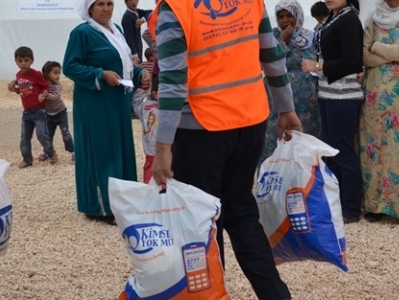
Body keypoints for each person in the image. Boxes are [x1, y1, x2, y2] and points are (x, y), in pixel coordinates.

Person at [149, 0, 302, 298]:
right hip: (250, 121)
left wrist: (163, 145)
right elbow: (272, 57)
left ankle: (210, 293)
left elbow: (173, 80)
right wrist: (285, 108)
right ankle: (275, 295)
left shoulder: (176, 8)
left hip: (201, 128)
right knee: (241, 211)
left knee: (201, 221)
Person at [63, 0, 151, 225]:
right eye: (100, 4)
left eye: (109, 3)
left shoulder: (117, 30)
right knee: (101, 150)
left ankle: (124, 200)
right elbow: (70, 66)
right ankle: (101, 207)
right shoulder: (82, 33)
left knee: (119, 148)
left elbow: (123, 64)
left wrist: (139, 73)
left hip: (117, 100)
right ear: (90, 8)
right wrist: (100, 73)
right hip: (95, 102)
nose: (106, 8)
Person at [301, 0, 364, 224]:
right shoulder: (332, 17)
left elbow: (353, 60)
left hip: (344, 95)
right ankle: (336, 203)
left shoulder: (348, 19)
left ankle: (350, 207)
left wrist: (318, 66)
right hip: (328, 93)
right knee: (331, 149)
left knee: (343, 150)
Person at [261, 0, 320, 163]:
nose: (285, 20)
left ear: (298, 16)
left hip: (307, 99)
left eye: (289, 16)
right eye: (281, 16)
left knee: (305, 138)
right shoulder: (272, 36)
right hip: (277, 98)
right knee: (276, 137)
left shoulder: (311, 37)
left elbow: (318, 61)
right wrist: (282, 41)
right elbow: (266, 62)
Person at [360, 0, 399, 222]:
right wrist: (393, 56)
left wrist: (378, 47)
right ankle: (375, 205)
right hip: (375, 96)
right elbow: (364, 56)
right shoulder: (373, 19)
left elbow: (372, 50)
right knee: (375, 146)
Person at [7, 46, 57, 168]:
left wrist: (43, 95)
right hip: (27, 113)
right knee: (24, 138)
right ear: (16, 61)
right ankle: (27, 159)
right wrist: (14, 88)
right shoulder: (18, 75)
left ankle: (51, 153)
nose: (23, 63)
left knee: (41, 135)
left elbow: (45, 87)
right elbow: (24, 90)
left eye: (26, 60)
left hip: (39, 111)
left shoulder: (37, 74)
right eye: (20, 61)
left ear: (32, 61)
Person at [39, 60, 74, 162]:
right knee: (48, 135)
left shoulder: (57, 85)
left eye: (59, 73)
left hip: (60, 113)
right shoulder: (43, 84)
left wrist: (46, 95)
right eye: (55, 73)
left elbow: (55, 97)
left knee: (65, 133)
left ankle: (73, 151)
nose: (58, 76)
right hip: (49, 114)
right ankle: (47, 152)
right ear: (46, 74)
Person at [131, 75, 158, 184]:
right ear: (155, 94)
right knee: (150, 192)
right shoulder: (147, 108)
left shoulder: (174, 110)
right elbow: (135, 102)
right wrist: (144, 87)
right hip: (151, 159)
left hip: (170, 160)